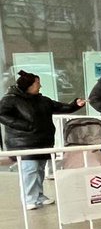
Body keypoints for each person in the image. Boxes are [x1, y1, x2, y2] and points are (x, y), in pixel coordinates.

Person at [0, 70, 85, 210]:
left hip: (42, 141)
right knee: (30, 170)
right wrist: (24, 125)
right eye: (37, 83)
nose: (40, 86)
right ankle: (29, 198)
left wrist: (75, 104)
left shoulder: (42, 100)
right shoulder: (10, 99)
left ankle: (39, 196)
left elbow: (61, 107)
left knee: (39, 169)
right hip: (23, 143)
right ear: (28, 85)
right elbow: (2, 114)